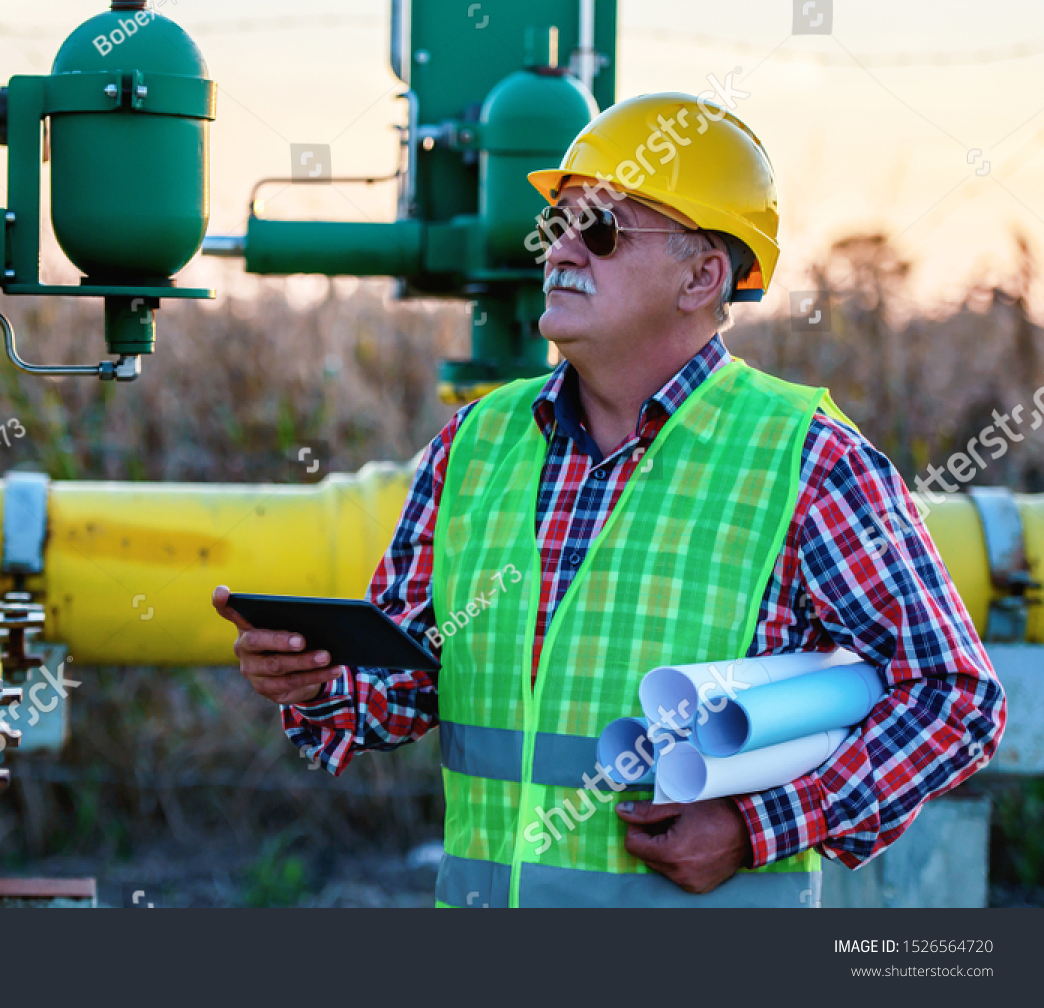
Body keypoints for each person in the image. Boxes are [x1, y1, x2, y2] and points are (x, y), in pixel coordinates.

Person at [213, 92, 1006, 907]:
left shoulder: (806, 459)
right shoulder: (475, 445)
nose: (559, 250)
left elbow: (956, 699)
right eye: (559, 223)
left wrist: (756, 826)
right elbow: (416, 676)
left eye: (601, 230)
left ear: (702, 276)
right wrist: (317, 683)